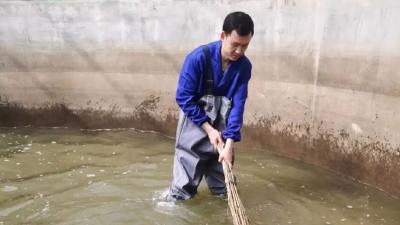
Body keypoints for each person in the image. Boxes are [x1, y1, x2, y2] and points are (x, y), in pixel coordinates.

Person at [168, 11, 254, 200]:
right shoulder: (198, 58)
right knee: (182, 192)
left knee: (225, 191)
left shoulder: (244, 67)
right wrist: (208, 129)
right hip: (195, 124)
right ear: (223, 36)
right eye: (235, 45)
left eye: (245, 46)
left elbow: (238, 105)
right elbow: (183, 98)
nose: (239, 51)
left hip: (223, 131)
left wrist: (230, 143)